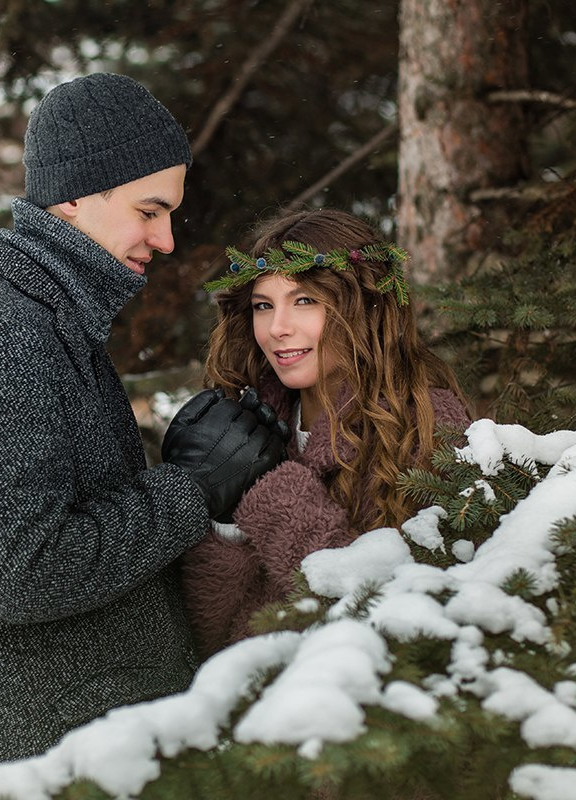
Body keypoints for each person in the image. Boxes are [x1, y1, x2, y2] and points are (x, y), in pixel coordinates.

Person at [0, 73, 285, 769]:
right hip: (53, 763)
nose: (167, 238)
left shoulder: (54, 326)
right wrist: (188, 489)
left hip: (99, 748)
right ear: (75, 196)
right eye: (150, 210)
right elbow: (26, 574)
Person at [182, 208, 471, 657]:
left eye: (304, 301)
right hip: (240, 700)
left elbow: (379, 609)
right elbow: (209, 625)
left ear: (366, 306)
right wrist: (212, 508)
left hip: (353, 704)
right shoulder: (243, 422)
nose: (277, 328)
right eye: (264, 305)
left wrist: (270, 487)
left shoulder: (429, 424)